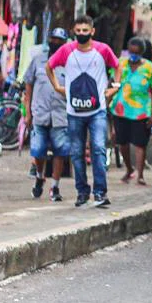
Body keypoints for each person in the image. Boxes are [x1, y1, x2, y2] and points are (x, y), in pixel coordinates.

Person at [46, 15, 118, 208]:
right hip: (74, 111)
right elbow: (49, 66)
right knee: (76, 153)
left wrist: (114, 88)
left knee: (99, 149)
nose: (81, 34)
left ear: (92, 31)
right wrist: (57, 86)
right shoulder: (66, 50)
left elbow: (117, 66)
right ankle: (82, 192)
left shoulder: (103, 50)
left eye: (85, 31)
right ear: (73, 31)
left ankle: (100, 192)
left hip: (98, 110)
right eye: (78, 31)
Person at [24, 28, 70, 202]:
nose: (56, 43)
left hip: (60, 114)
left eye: (60, 40)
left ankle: (55, 186)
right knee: (38, 151)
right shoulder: (38, 61)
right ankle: (40, 177)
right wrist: (27, 112)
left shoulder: (69, 63)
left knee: (60, 151)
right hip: (40, 112)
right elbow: (28, 85)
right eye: (54, 39)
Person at [111, 37, 152, 186]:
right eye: (131, 52)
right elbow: (112, 81)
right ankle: (128, 169)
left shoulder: (149, 67)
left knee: (140, 144)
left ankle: (140, 175)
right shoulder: (120, 63)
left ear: (142, 53)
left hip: (141, 111)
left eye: (136, 53)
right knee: (122, 143)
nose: (133, 55)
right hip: (120, 109)